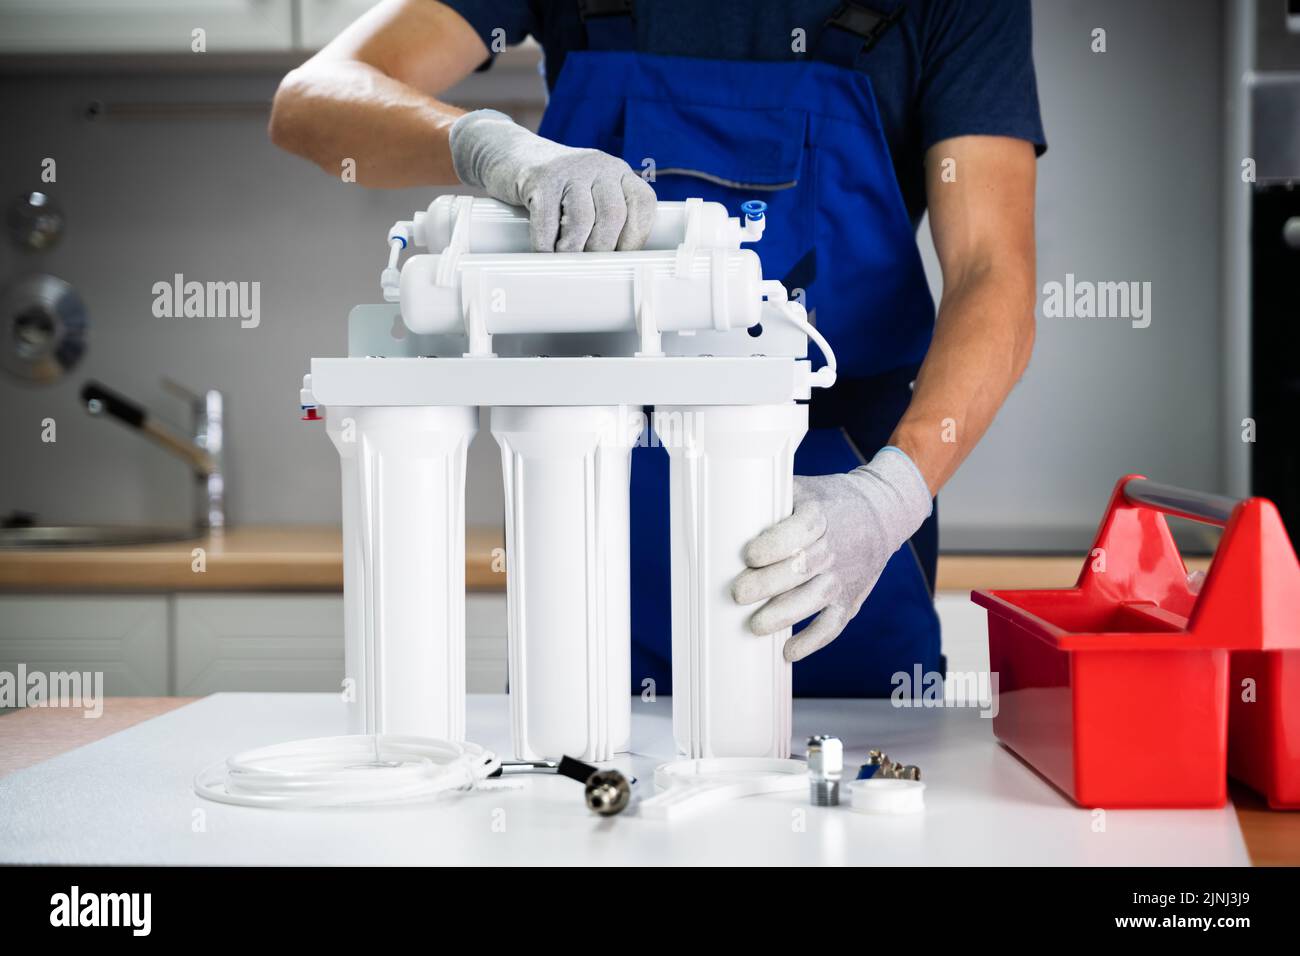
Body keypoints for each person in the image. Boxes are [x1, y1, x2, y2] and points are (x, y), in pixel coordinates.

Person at [270, 0, 1044, 697]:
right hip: (581, 497)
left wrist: (891, 496)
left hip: (832, 531)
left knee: (856, 810)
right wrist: (491, 147)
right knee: (573, 783)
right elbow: (312, 98)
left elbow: (991, 268)